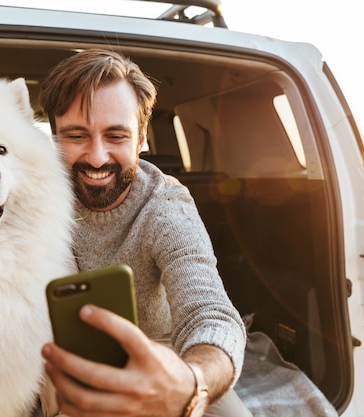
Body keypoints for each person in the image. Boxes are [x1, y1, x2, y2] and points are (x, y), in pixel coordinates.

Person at [39, 49, 249, 417]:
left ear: (141, 141)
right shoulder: (27, 195)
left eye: (116, 136)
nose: (98, 157)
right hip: (57, 361)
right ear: (53, 138)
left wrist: (192, 382)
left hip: (163, 360)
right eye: (76, 136)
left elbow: (211, 314)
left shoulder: (166, 207)